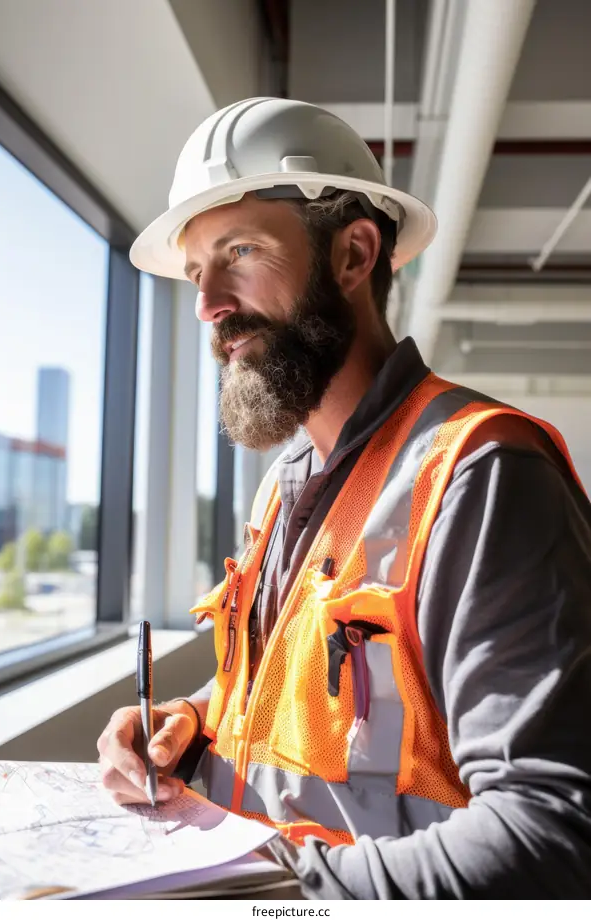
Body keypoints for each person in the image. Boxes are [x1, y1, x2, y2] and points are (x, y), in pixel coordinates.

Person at [97, 98, 591, 899]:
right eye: (196, 273)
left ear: (354, 255)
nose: (208, 304)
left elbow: (554, 832)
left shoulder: (480, 472)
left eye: (240, 251)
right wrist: (190, 723)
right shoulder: (285, 491)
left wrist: (280, 896)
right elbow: (311, 710)